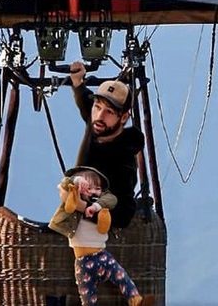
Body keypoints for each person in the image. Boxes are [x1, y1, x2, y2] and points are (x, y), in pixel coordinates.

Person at [49, 166, 146, 306]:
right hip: (83, 261)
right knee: (87, 295)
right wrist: (76, 181)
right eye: (89, 188)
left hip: (102, 255)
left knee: (121, 276)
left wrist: (96, 206)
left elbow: (111, 199)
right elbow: (64, 184)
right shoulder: (72, 205)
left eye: (98, 188)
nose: (94, 191)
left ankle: (135, 299)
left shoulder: (100, 206)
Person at [69, 61, 145, 229]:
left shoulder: (123, 160)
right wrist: (77, 81)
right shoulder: (97, 122)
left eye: (109, 111)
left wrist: (83, 208)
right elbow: (85, 101)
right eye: (97, 107)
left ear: (123, 117)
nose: (100, 116)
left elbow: (123, 214)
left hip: (99, 229)